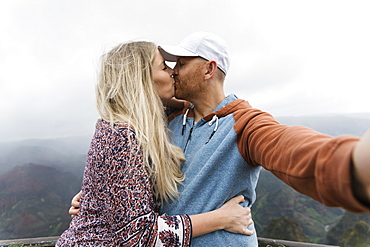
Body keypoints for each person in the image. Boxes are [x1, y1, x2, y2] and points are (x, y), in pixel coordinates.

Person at [70, 32, 370, 246]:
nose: (173, 71)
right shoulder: (165, 118)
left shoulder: (245, 124)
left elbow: (287, 146)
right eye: (168, 65)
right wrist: (100, 200)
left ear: (208, 69)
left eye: (181, 64)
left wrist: (352, 165)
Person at [56, 41, 254, 246]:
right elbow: (139, 236)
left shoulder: (139, 123)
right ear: (141, 79)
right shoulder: (121, 136)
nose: (172, 72)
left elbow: (202, 103)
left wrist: (96, 196)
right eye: (164, 67)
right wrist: (221, 218)